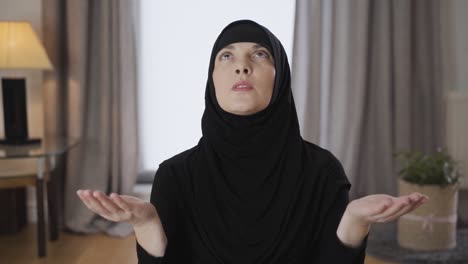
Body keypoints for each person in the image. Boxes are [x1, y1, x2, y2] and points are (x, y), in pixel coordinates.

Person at [76, 20, 428, 264]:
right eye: (226, 56)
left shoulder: (322, 171)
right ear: (212, 79)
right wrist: (147, 225)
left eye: (259, 54)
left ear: (281, 77)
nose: (241, 66)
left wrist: (354, 222)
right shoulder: (175, 176)